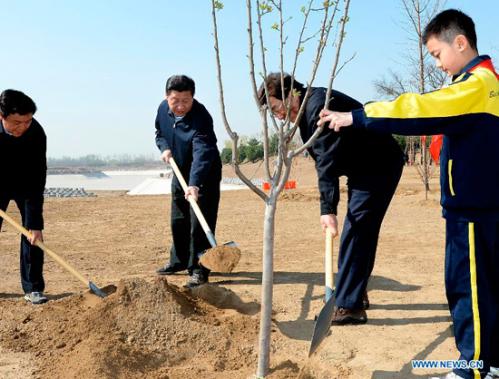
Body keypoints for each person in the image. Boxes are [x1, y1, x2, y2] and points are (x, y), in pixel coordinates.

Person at [318, 9, 498, 379]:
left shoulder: (474, 87)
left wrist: (358, 116)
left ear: (460, 42)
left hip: (473, 210)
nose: (437, 64)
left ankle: (472, 370)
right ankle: (490, 364)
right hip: (481, 205)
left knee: (470, 290)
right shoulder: (486, 84)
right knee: (486, 290)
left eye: (437, 54)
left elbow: (419, 107)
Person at [258, 73, 405, 324]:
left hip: (378, 164)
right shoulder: (306, 109)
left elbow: (326, 162)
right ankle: (353, 292)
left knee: (357, 230)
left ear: (291, 95)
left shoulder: (318, 107)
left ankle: (349, 306)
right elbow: (325, 160)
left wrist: (328, 209)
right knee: (359, 230)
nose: (277, 115)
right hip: (363, 168)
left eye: (276, 107)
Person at [155, 75, 222, 288]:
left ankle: (199, 269)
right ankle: (179, 260)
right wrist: (164, 147)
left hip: (204, 174)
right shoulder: (162, 110)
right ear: (167, 97)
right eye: (176, 100)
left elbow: (203, 151)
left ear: (193, 97)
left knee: (199, 223)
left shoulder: (201, 117)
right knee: (179, 219)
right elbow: (159, 133)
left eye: (186, 100)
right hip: (179, 170)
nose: (181, 106)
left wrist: (195, 183)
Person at [0, 89, 48, 304]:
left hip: (25, 184)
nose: (24, 126)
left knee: (32, 234)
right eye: (18, 122)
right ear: (2, 117)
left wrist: (35, 223)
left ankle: (33, 287)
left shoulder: (36, 133)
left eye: (28, 121)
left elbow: (37, 179)